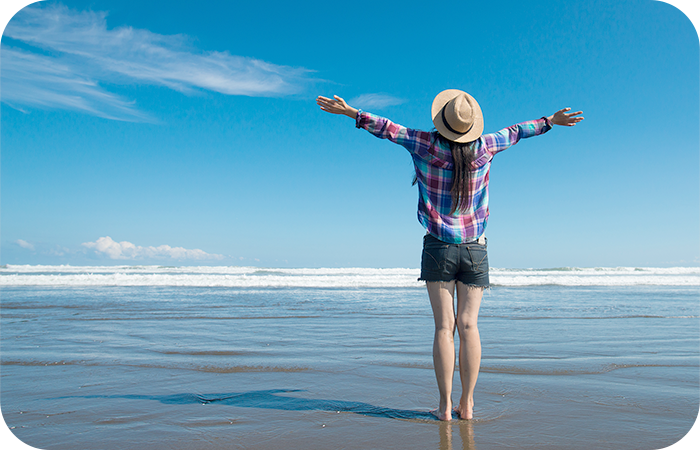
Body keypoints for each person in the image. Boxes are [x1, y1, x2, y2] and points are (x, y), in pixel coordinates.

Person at [316, 90, 583, 421]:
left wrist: (350, 112)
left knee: (445, 328)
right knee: (469, 326)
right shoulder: (485, 146)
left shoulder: (424, 144)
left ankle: (444, 407)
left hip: (438, 246)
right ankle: (467, 405)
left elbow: (387, 128)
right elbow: (516, 131)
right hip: (475, 248)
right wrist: (549, 122)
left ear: (442, 121)